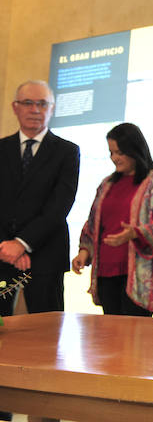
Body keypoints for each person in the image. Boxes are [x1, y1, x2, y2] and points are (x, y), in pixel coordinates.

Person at [72, 123, 153, 315]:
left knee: (135, 339)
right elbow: (93, 223)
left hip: (137, 278)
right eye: (111, 153)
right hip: (106, 273)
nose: (114, 158)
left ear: (135, 150)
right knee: (110, 337)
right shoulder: (107, 184)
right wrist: (85, 252)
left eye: (119, 152)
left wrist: (135, 233)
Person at [0, 80, 79, 317]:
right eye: (28, 103)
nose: (35, 110)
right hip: (2, 251)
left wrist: (22, 243)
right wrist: (7, 246)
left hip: (46, 254)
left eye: (43, 104)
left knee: (46, 332)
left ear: (52, 109)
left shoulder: (67, 151)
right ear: (15, 107)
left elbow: (59, 206)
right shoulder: (1, 149)